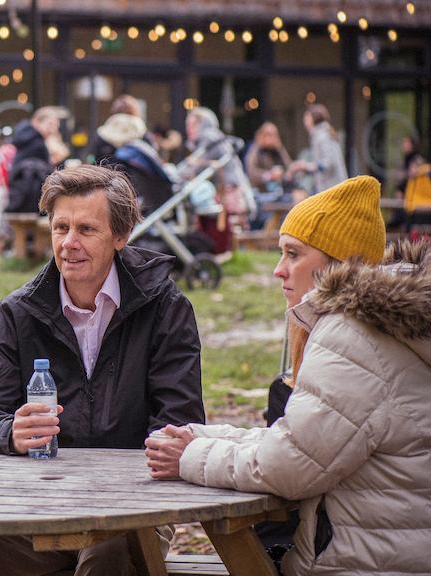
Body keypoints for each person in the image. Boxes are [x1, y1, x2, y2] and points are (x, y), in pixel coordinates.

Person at [147, 177, 430, 576]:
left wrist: (190, 457)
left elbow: (290, 466)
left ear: (338, 262)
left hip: (362, 563)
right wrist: (207, 436)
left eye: (293, 254)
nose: (279, 270)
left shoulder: (353, 335)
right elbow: (307, 441)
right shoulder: (385, 325)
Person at [0, 164, 205, 575]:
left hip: (132, 507)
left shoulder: (164, 307)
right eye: (60, 228)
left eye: (86, 230)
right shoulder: (20, 312)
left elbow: (180, 421)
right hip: (38, 503)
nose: (69, 243)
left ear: (120, 237)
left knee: (106, 558)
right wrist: (10, 433)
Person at [182, 106, 253, 255]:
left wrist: (178, 174)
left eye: (192, 125)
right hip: (230, 189)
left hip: (228, 191)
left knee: (227, 227)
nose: (188, 129)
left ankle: (225, 253)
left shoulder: (209, 139)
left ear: (202, 124)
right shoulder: (214, 138)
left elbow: (196, 168)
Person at [6, 106, 62, 214]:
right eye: (50, 125)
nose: (53, 130)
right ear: (36, 122)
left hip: (18, 198)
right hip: (30, 200)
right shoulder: (37, 144)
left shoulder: (25, 138)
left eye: (55, 126)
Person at [289, 104, 347, 196]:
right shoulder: (321, 134)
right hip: (330, 188)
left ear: (314, 119)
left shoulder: (322, 136)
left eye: (307, 118)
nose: (304, 122)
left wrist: (304, 166)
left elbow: (327, 164)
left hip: (332, 188)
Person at [88, 94, 142, 166]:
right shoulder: (141, 129)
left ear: (114, 110)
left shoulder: (103, 132)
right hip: (133, 175)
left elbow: (92, 158)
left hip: (107, 174)